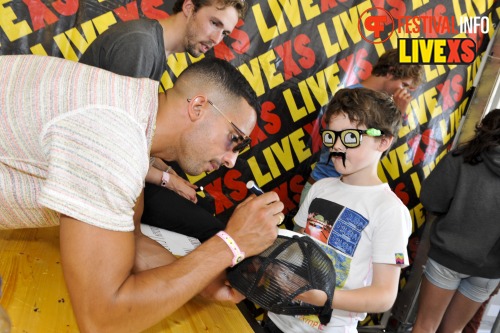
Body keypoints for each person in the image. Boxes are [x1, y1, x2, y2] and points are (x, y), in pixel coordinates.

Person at [0, 54, 285, 333]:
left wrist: (204, 280)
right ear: (198, 106)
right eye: (235, 139)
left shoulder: (134, 114)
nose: (231, 161)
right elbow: (102, 320)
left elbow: (131, 240)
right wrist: (228, 245)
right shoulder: (113, 137)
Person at [79, 0, 249, 241]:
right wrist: (168, 181)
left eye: (225, 32)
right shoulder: (140, 46)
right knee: (210, 230)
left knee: (201, 202)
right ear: (189, 8)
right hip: (92, 170)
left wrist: (171, 174)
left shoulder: (155, 48)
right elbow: (113, 151)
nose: (217, 39)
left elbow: (134, 138)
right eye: (214, 23)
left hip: (110, 160)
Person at [262, 88, 412, 332]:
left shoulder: (389, 210)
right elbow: (297, 248)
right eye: (331, 137)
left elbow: (384, 296)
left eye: (351, 137)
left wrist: (320, 296)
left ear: (383, 141)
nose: (337, 147)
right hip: (278, 318)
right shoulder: (320, 188)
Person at [412, 109, 500, 333]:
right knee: (453, 331)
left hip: (447, 257)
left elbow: (431, 199)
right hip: (490, 269)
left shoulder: (462, 158)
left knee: (425, 326)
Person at [299, 49, 424, 205]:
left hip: (349, 193)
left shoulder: (383, 105)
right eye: (404, 85)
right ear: (391, 72)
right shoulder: (348, 97)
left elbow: (380, 148)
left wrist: (397, 114)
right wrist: (397, 113)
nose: (404, 92)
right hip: (324, 186)